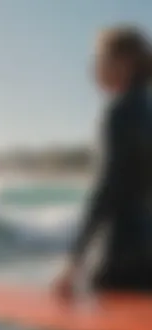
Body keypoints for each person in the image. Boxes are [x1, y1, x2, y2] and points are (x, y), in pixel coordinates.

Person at [55, 25, 152, 296]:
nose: (93, 67)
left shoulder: (118, 112)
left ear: (125, 62)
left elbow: (107, 188)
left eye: (99, 58)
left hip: (119, 253)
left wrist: (75, 260)